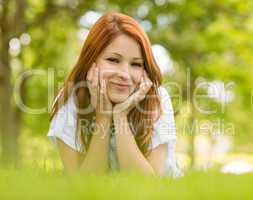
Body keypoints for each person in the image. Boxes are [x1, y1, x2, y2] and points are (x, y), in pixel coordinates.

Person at [47, 11, 183, 177]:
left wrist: (120, 116)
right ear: (92, 61)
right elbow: (83, 186)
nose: (124, 74)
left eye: (136, 64)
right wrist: (102, 116)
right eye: (113, 60)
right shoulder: (71, 101)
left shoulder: (157, 99)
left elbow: (147, 185)